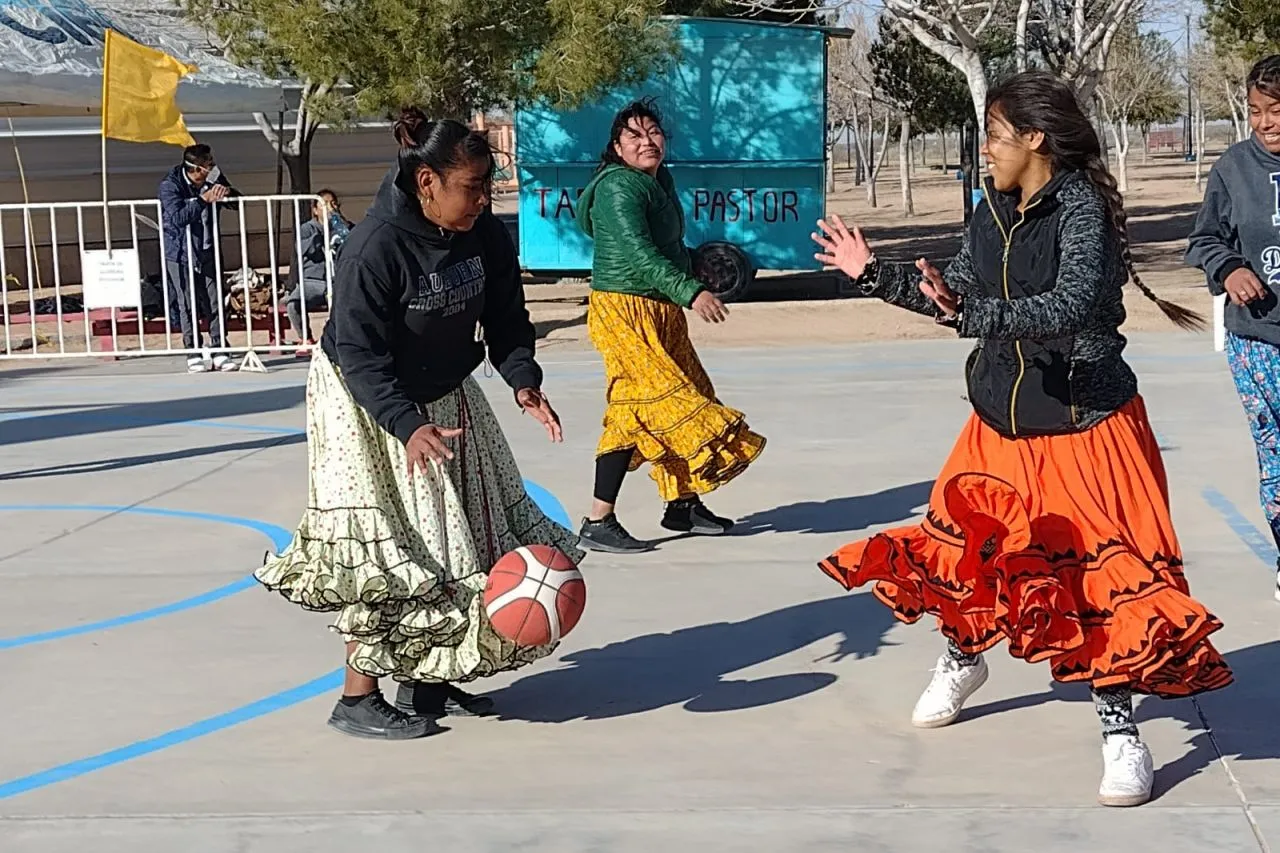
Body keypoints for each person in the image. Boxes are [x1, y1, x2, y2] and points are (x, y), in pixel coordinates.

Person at [811, 71, 1231, 807]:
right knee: (972, 558)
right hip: (1000, 424)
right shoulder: (990, 209)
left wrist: (972, 314)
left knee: (1098, 584)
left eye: (996, 137)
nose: (986, 153)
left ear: (1035, 138)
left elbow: (1068, 305)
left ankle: (1120, 732)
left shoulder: (1082, 210)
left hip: (1084, 424)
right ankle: (962, 656)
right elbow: (962, 294)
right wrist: (875, 275)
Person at [256, 109, 584, 740]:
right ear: (427, 180)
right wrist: (406, 425)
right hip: (365, 399)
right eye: (472, 187)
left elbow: (509, 318)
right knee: (389, 543)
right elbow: (357, 352)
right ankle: (357, 697)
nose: (483, 200)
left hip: (444, 388)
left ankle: (428, 678)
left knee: (465, 523)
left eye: (488, 186)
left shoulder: (481, 230)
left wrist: (523, 381)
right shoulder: (375, 244)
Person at [574, 99, 766, 554]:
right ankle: (599, 519)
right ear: (616, 147)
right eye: (635, 136)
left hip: (658, 310)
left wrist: (693, 270)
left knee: (690, 393)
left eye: (654, 132)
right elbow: (640, 256)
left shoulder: (657, 180)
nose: (647, 142)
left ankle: (682, 505)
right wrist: (690, 292)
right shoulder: (620, 188)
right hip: (624, 311)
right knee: (641, 407)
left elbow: (669, 244)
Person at [1186, 54, 1280, 598]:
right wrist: (1229, 267)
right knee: (1276, 457)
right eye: (1255, 111)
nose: (1265, 122)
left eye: (1276, 110)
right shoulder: (1233, 168)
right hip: (1258, 339)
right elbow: (1204, 239)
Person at [158, 143, 242, 373]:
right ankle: (193, 350)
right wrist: (203, 200)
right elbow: (176, 218)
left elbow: (237, 201)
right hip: (180, 252)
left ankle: (220, 348)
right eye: (208, 164)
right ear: (196, 168)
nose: (212, 167)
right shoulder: (170, 185)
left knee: (215, 300)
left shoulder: (214, 175)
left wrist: (226, 193)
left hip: (208, 249)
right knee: (186, 303)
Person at [286, 189, 353, 345]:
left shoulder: (343, 226)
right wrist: (323, 233)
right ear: (315, 210)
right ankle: (306, 338)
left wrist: (343, 229)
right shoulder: (307, 229)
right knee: (293, 305)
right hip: (313, 281)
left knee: (350, 302)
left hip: (338, 279)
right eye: (325, 204)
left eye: (333, 203)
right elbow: (301, 249)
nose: (330, 208)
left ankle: (342, 340)